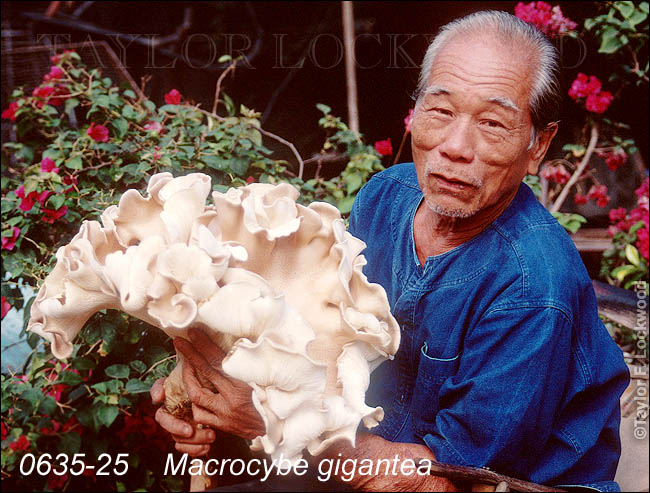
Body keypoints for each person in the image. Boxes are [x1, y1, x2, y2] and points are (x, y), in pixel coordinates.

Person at [151, 10, 629, 491]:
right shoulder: (385, 197)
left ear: (537, 145)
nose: (455, 147)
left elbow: (449, 484)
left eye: (491, 123)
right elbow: (314, 345)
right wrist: (208, 391)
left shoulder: (532, 288)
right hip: (363, 463)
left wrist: (273, 422)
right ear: (416, 109)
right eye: (440, 111)